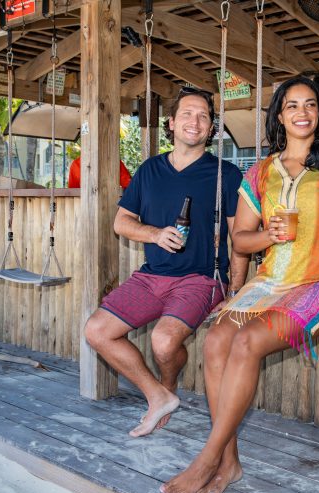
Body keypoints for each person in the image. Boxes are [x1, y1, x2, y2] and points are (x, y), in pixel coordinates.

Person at [160, 76, 319, 493]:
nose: (302, 112)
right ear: (280, 116)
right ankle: (230, 461)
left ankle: (208, 458)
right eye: (292, 105)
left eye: (311, 105)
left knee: (246, 343)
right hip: (271, 282)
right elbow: (240, 240)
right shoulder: (260, 172)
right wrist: (269, 238)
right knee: (216, 342)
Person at [84, 88, 249, 438]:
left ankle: (167, 386)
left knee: (163, 342)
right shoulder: (149, 170)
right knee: (96, 332)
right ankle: (157, 395)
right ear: (171, 123)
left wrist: (236, 289)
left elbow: (240, 239)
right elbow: (121, 222)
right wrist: (156, 234)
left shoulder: (226, 174)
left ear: (211, 128)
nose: (196, 121)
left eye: (204, 115)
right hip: (152, 276)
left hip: (202, 279)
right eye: (188, 114)